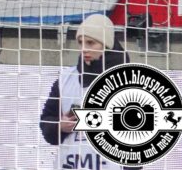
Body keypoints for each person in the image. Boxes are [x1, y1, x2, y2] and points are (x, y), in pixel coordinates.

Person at [40, 13, 126, 168]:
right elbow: (47, 123)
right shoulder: (65, 80)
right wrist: (59, 127)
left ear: (106, 44)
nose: (84, 48)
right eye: (80, 42)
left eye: (91, 43)